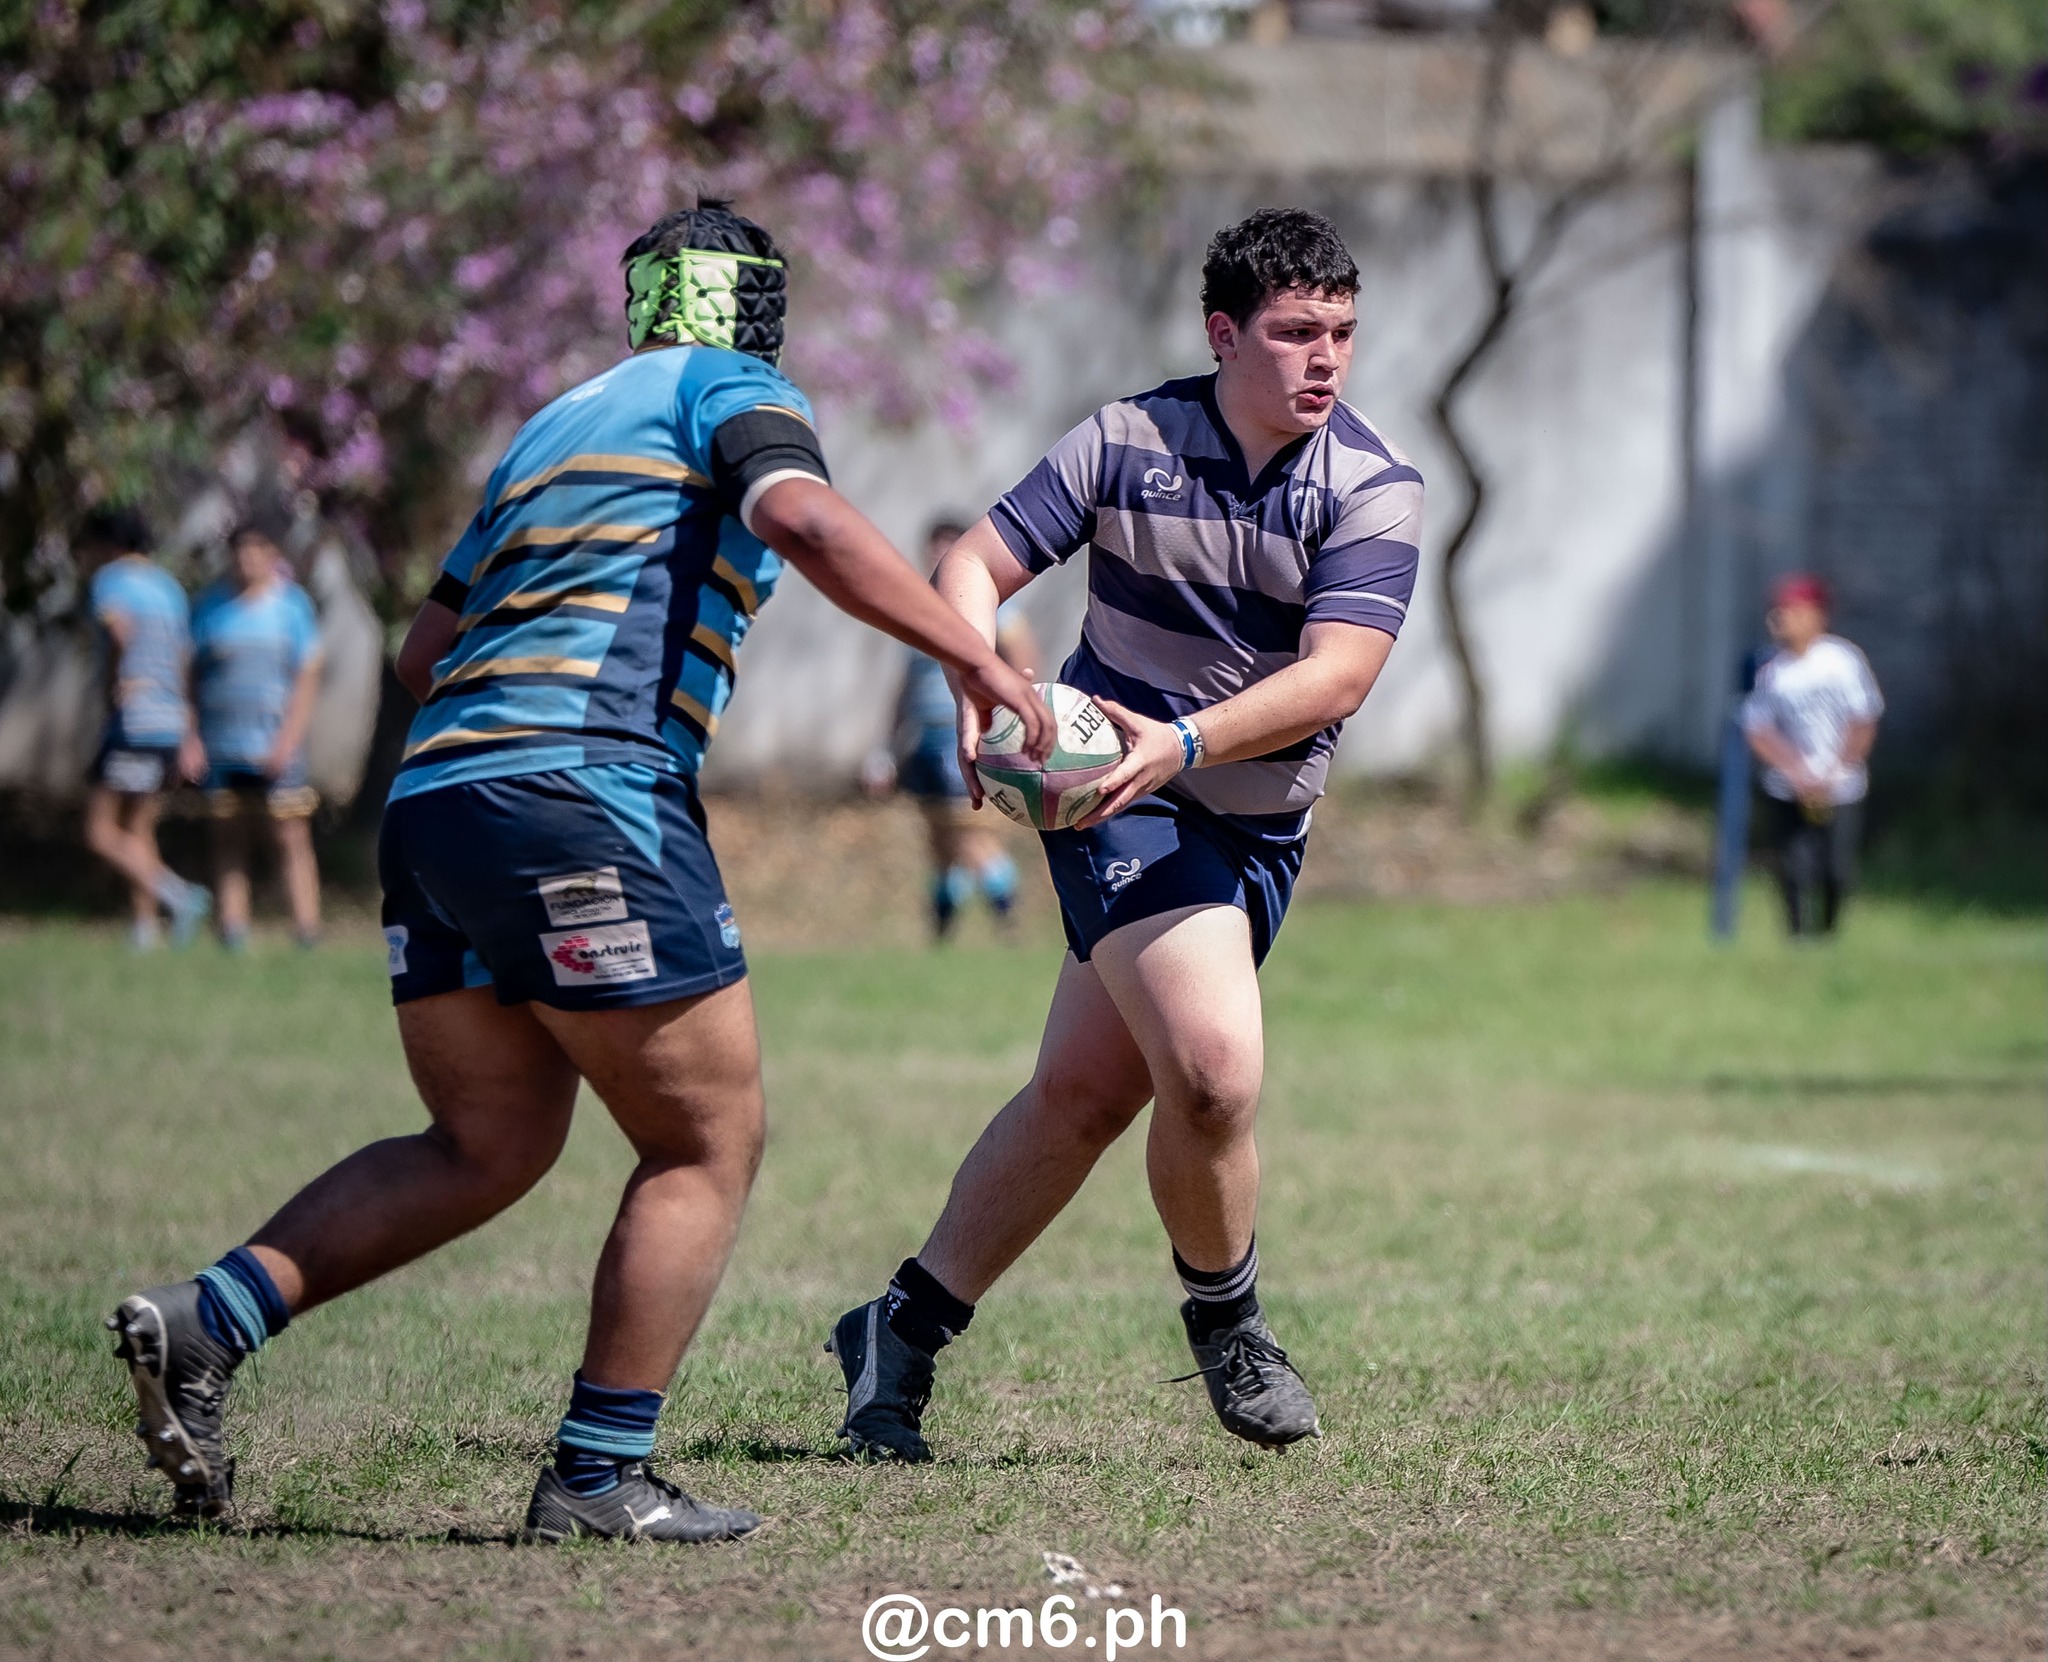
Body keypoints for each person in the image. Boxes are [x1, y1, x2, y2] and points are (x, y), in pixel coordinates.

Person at [105, 201, 1050, 1543]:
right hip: (586, 794)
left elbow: (423, 655)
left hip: (434, 802)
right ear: (761, 305)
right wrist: (975, 656)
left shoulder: (553, 426)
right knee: (703, 1137)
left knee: (487, 1140)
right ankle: (599, 1475)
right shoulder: (739, 389)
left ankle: (209, 1322)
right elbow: (809, 523)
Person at [826, 208, 1422, 1458]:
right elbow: (974, 570)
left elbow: (1337, 679)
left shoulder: (1371, 489)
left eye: (1342, 334)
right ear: (1223, 334)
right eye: (1293, 332)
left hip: (1249, 821)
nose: (1324, 358)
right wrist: (971, 679)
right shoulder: (1126, 443)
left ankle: (900, 1327)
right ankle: (1230, 1325)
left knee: (1085, 1095)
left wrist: (1189, 740)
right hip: (1118, 801)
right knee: (1209, 1068)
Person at [890, 518, 1042, 939]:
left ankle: (1008, 919)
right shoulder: (920, 610)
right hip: (924, 739)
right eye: (933, 546)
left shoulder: (998, 610)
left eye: (949, 546)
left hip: (969, 731)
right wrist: (887, 747)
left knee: (970, 836)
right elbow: (905, 687)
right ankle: (942, 931)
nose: (939, 554)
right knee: (938, 843)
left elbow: (1024, 663)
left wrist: (1020, 723)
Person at [77, 507, 212, 950]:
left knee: (98, 832)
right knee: (137, 828)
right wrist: (189, 727)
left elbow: (119, 632)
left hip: (133, 719)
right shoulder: (169, 587)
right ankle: (144, 928)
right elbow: (183, 659)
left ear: (107, 544)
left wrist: (114, 682)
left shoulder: (111, 580)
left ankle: (179, 895)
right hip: (168, 722)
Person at [188, 523, 325, 949]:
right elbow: (189, 674)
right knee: (229, 833)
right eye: (239, 551)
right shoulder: (209, 607)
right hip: (223, 743)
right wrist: (191, 736)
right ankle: (232, 930)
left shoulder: (292, 607)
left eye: (255, 550)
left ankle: (306, 931)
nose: (246, 560)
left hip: (274, 743)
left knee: (289, 834)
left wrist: (288, 738)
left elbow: (307, 677)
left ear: (272, 555)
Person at [1742, 574, 1883, 938]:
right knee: (1792, 867)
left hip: (1840, 786)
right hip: (1789, 787)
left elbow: (1863, 719)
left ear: (1815, 616)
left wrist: (1836, 768)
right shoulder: (1771, 670)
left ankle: (1827, 933)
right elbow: (1757, 728)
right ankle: (1796, 937)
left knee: (1837, 868)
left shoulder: (1842, 661)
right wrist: (1795, 771)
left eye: (1789, 611)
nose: (1779, 619)